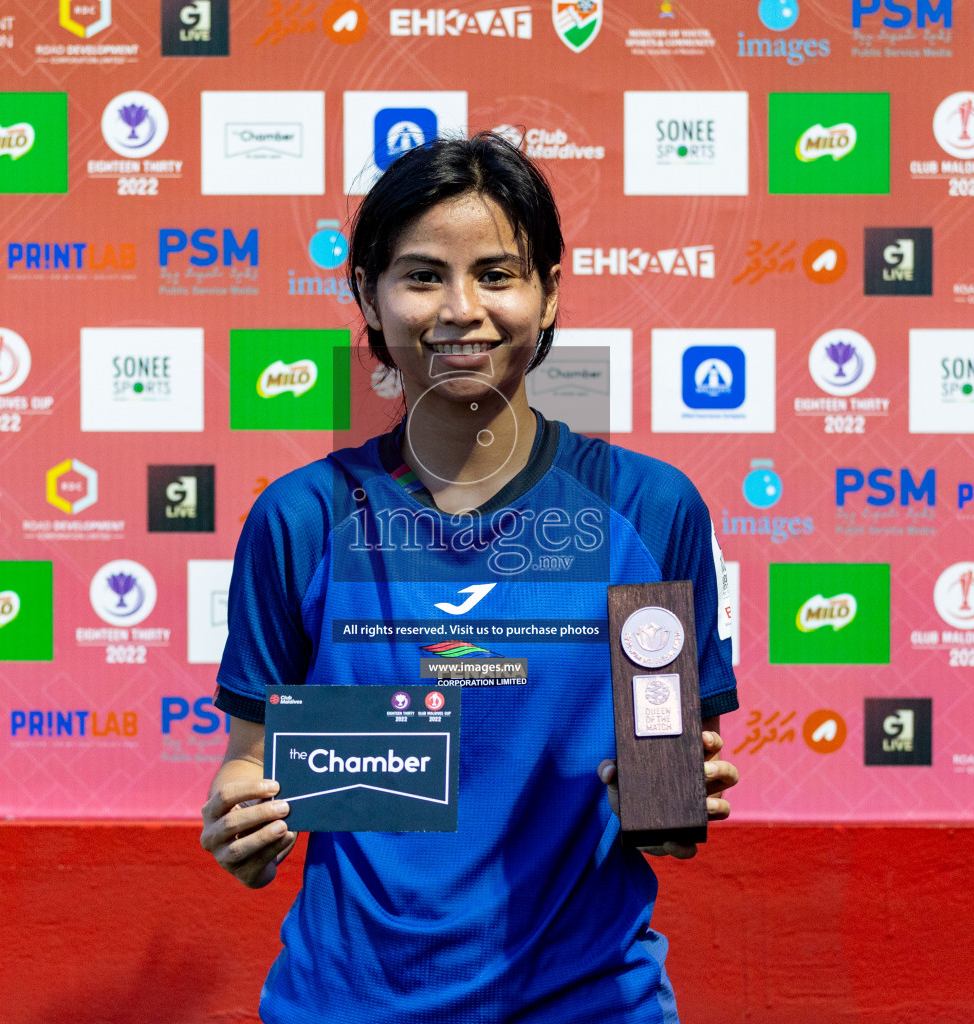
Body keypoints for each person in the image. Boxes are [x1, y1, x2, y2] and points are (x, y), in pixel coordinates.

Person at [200, 130, 740, 1023]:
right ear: (368, 297)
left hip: (588, 1004)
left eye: (497, 274)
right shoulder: (301, 519)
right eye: (421, 277)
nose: (461, 310)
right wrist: (242, 826)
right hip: (348, 1005)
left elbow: (670, 800)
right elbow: (250, 771)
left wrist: (675, 806)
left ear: (549, 293)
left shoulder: (646, 509)